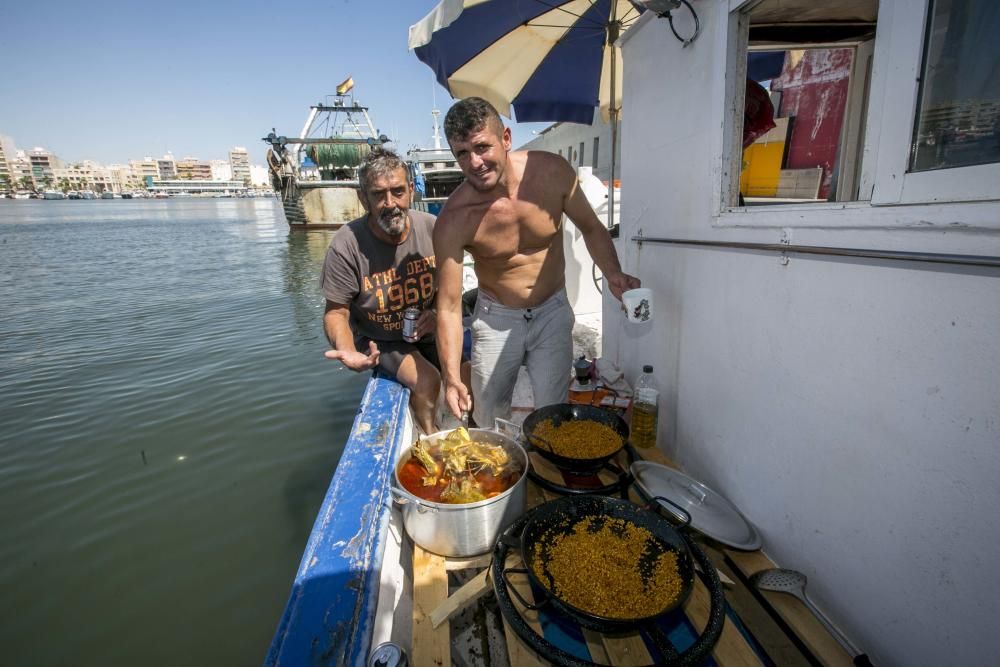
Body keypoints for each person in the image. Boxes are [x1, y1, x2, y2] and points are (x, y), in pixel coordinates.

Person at [434, 97, 641, 427]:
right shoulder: (453, 219)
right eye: (462, 153)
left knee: (553, 413)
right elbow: (447, 307)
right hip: (496, 317)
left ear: (505, 138)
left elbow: (590, 226)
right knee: (487, 415)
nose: (474, 162)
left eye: (482, 147)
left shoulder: (552, 173)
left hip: (552, 310)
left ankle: (546, 470)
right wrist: (451, 376)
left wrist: (612, 273)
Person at [321, 148, 442, 434]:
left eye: (398, 191)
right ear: (363, 198)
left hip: (425, 328)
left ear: (411, 190)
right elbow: (336, 312)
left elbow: (447, 287)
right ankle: (430, 438)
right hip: (380, 339)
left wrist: (435, 313)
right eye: (378, 194)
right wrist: (348, 350)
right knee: (427, 380)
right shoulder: (346, 244)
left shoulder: (432, 228)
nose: (390, 203)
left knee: (467, 372)